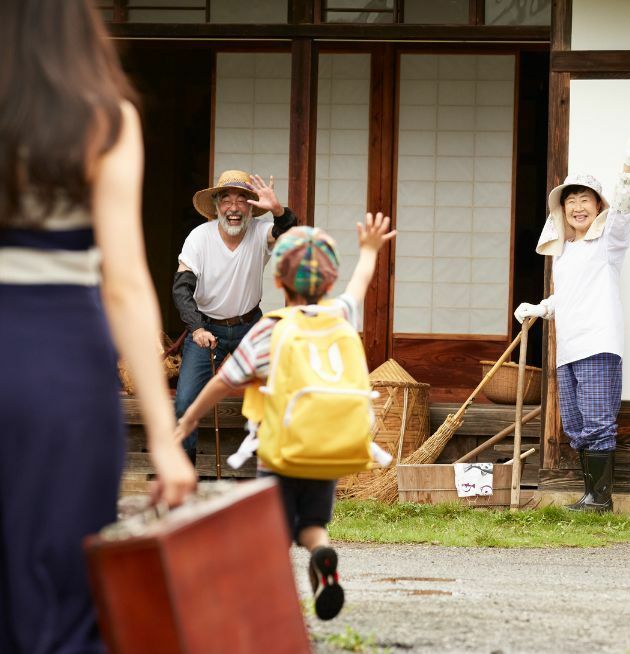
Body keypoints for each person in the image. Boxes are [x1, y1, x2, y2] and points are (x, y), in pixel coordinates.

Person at [0, 1, 197, 651]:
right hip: (60, 364)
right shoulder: (103, 120)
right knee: (63, 580)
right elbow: (126, 283)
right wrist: (165, 439)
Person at [173, 213, 395, 621]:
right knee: (311, 523)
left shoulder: (269, 331)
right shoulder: (340, 315)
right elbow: (360, 285)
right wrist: (369, 250)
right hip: (328, 448)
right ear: (328, 284)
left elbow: (223, 382)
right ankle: (321, 556)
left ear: (278, 282)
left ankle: (268, 609)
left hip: (280, 452)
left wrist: (187, 422)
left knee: (273, 534)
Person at [514, 130, 630, 513]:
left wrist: (628, 166)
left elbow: (624, 210)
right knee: (576, 424)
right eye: (570, 201)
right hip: (570, 346)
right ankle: (591, 496)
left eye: (585, 200)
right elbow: (568, 296)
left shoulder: (608, 242)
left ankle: (601, 499)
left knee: (597, 420)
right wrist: (540, 308)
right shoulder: (565, 252)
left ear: (597, 206)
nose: (577, 207)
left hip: (598, 343)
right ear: (561, 211)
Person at [172, 170, 297, 465]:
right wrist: (197, 329)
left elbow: (290, 233)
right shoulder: (199, 238)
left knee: (277, 393)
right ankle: (183, 472)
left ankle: (275, 469)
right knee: (184, 403)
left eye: (242, 200)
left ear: (251, 208)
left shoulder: (260, 231)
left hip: (250, 327)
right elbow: (181, 289)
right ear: (216, 206)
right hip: (206, 328)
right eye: (226, 199)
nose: (234, 207)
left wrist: (278, 210)